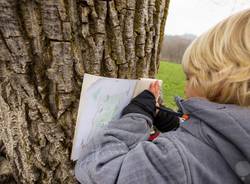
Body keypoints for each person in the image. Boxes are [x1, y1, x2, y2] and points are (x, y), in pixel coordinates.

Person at [75, 9, 250, 184]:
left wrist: (137, 117)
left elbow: (99, 170)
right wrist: (177, 125)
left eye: (189, 78)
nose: (185, 87)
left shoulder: (174, 160)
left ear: (217, 81)